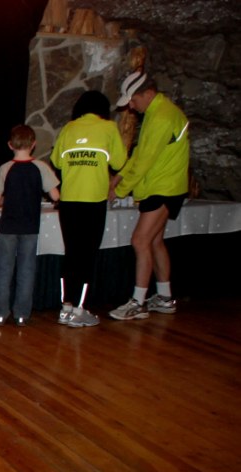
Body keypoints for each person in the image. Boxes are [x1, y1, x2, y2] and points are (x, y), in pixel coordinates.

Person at [108, 72, 190, 321]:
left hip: (162, 188)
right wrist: (118, 178)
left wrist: (119, 191)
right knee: (154, 242)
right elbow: (138, 154)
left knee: (139, 241)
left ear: (148, 93)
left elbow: (144, 161)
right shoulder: (158, 113)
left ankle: (137, 302)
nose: (131, 107)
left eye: (133, 100)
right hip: (164, 187)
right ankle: (164, 298)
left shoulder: (162, 117)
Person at [50, 91, 127, 327]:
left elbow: (57, 161)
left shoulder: (69, 128)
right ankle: (79, 310)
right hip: (93, 200)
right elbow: (119, 162)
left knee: (72, 253)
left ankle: (65, 308)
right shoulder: (109, 128)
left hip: (69, 201)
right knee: (87, 255)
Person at [0, 124, 59, 326]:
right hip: (30, 227)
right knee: (27, 271)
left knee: (3, 271)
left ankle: (1, 312)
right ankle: (21, 314)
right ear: (33, 144)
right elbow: (56, 195)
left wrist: (9, 198)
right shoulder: (41, 167)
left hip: (7, 228)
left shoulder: (5, 168)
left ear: (10, 145)